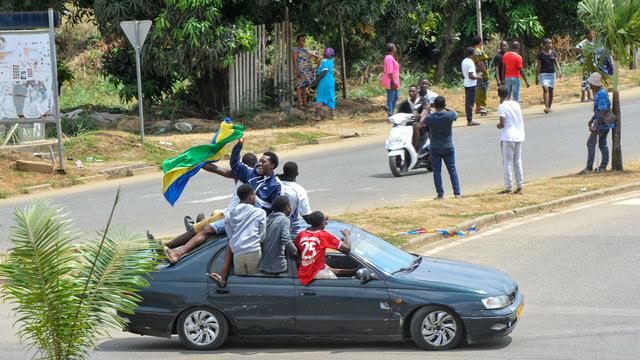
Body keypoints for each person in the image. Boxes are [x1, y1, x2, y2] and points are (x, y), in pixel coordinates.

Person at [154, 153, 258, 264]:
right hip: (227, 214)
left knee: (199, 230)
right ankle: (190, 230)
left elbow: (215, 169)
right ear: (255, 164)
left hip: (229, 216)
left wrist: (199, 160)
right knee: (213, 215)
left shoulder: (241, 174)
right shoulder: (254, 177)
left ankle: (168, 246)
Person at [208, 184, 267, 286]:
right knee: (255, 283)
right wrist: (256, 242)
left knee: (242, 283)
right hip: (253, 251)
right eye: (254, 195)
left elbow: (231, 235)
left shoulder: (230, 214)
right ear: (250, 196)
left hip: (237, 253)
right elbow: (262, 234)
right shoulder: (259, 212)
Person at [420, 96, 461, 199]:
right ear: (444, 105)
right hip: (448, 146)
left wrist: (427, 109)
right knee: (452, 169)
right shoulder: (449, 115)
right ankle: (457, 193)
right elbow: (456, 114)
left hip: (435, 147)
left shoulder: (431, 117)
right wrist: (446, 108)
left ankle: (440, 194)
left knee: (437, 171)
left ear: (435, 106)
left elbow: (421, 123)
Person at [295, 211, 351, 286]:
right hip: (315, 272)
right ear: (322, 223)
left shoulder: (301, 234)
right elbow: (347, 248)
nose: (326, 223)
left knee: (332, 270)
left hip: (304, 271)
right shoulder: (323, 235)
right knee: (338, 285)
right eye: (325, 221)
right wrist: (346, 234)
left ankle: (354, 270)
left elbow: (298, 252)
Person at [230, 135, 283, 213]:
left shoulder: (276, 185)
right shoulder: (250, 173)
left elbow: (276, 211)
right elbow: (235, 164)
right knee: (209, 226)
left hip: (258, 220)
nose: (259, 163)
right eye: (259, 161)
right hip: (240, 216)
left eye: (263, 162)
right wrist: (239, 145)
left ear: (272, 166)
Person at [581, 72, 615, 174]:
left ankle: (589, 167)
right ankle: (603, 166)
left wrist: (595, 126)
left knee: (591, 143)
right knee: (602, 144)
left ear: (595, 84)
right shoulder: (598, 93)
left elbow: (603, 111)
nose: (590, 86)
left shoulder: (601, 94)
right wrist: (592, 119)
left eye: (591, 84)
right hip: (601, 122)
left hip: (603, 124)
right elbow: (598, 111)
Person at [496, 85, 525, 194]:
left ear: (499, 95)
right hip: (519, 135)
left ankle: (508, 187)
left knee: (507, 162)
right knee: (517, 161)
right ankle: (520, 185)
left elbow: (502, 123)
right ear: (509, 93)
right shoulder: (516, 104)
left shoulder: (502, 106)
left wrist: (498, 125)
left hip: (508, 137)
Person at [259, 195, 298, 275]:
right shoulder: (284, 220)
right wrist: (296, 252)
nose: (291, 208)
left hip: (263, 266)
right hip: (278, 267)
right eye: (290, 206)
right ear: (287, 207)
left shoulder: (268, 219)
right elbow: (286, 239)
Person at [278, 161, 312, 238]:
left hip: (272, 225)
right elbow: (307, 216)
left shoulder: (275, 183)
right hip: (290, 228)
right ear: (297, 174)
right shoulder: (299, 190)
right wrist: (320, 219)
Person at [397, 84, 429, 151]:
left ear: (417, 92)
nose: (411, 93)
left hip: (420, 124)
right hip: (407, 124)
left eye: (413, 91)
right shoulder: (405, 102)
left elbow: (425, 110)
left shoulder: (422, 100)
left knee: (415, 126)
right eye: (409, 91)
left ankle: (414, 148)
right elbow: (398, 112)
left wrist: (421, 115)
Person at [292, 34, 319, 108]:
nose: (303, 41)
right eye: (301, 40)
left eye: (304, 40)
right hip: (300, 71)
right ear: (297, 41)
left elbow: (309, 58)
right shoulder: (295, 49)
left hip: (306, 71)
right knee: (299, 87)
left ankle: (305, 103)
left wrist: (314, 56)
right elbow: (294, 61)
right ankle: (300, 104)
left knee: (304, 87)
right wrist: (297, 70)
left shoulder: (305, 50)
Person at [536, 38, 562, 113]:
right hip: (543, 74)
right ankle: (546, 107)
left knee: (551, 90)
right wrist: (536, 77)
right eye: (549, 43)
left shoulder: (553, 53)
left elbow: (556, 63)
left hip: (552, 74)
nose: (551, 44)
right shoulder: (540, 54)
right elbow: (538, 66)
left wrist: (559, 71)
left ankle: (549, 107)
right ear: (544, 45)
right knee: (545, 89)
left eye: (551, 43)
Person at [461, 47, 481, 126]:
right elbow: (471, 76)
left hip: (466, 83)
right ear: (472, 54)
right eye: (475, 53)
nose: (475, 54)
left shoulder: (464, 61)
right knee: (470, 103)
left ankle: (470, 119)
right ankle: (470, 120)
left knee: (468, 102)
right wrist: (478, 77)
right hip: (471, 84)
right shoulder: (470, 62)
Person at [314, 47, 336, 119]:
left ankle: (317, 116)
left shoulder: (324, 61)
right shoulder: (331, 61)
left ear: (326, 54)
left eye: (324, 52)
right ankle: (333, 115)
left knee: (320, 96)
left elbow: (324, 72)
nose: (323, 53)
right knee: (331, 96)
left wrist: (317, 80)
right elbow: (323, 69)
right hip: (331, 80)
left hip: (324, 81)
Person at [472, 36, 490, 116]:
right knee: (482, 90)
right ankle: (481, 108)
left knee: (477, 90)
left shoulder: (472, 51)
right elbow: (481, 63)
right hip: (481, 74)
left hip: (475, 74)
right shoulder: (478, 52)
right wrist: (485, 73)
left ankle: (478, 108)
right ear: (480, 42)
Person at [381, 43, 400, 118]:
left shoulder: (391, 57)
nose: (396, 48)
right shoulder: (389, 58)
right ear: (392, 49)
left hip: (394, 81)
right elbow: (389, 71)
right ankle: (390, 115)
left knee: (396, 97)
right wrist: (393, 81)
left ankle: (391, 113)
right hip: (391, 81)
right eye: (395, 47)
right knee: (391, 98)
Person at [576, 30, 595, 102]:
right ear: (587, 35)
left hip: (591, 63)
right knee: (586, 79)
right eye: (591, 34)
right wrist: (582, 56)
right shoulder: (585, 42)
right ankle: (587, 97)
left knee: (590, 79)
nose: (593, 35)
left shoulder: (592, 42)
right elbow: (577, 48)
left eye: (593, 34)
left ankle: (585, 97)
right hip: (586, 63)